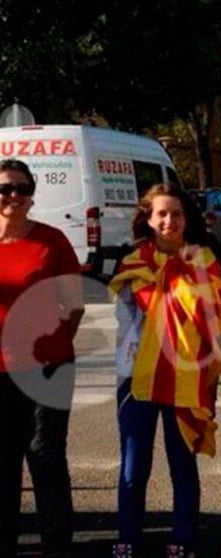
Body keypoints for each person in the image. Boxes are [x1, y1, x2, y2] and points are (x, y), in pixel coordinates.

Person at [108, 183, 221, 558]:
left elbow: (216, 318)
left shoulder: (204, 260)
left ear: (186, 218)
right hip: (137, 376)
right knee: (133, 463)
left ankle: (183, 537)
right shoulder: (131, 262)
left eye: (176, 213)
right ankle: (127, 535)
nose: (169, 221)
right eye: (161, 213)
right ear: (147, 217)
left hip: (186, 374)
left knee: (182, 461)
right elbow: (126, 319)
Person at [0, 158, 83, 558]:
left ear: (32, 193)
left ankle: (56, 546)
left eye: (22, 188)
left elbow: (75, 306)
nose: (14, 196)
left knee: (46, 457)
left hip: (47, 367)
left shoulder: (53, 241)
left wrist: (51, 347)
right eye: (5, 189)